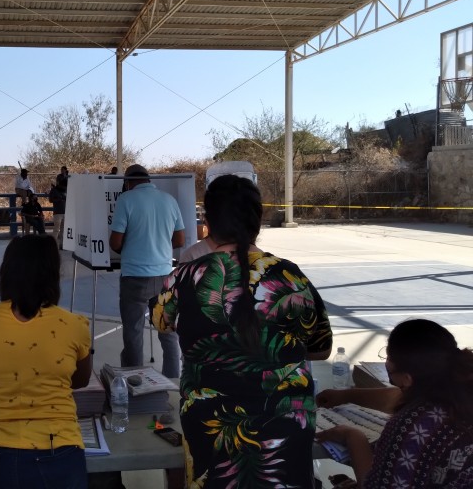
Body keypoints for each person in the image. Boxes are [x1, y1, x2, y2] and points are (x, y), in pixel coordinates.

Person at [150, 174, 333, 488]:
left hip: (212, 426)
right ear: (257, 220)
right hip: (286, 424)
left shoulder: (186, 276)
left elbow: (161, 320)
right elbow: (321, 347)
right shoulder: (290, 275)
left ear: (207, 223)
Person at [0, 234, 92, 489]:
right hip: (59, 448)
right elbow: (80, 380)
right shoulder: (75, 325)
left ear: (6, 272)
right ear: (53, 275)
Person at [316, 319, 473, 488]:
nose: (387, 361)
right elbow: (397, 397)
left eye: (389, 356)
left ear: (407, 378)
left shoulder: (412, 427)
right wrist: (347, 395)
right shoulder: (459, 389)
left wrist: (353, 437)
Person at [109, 163, 184, 378]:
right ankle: (172, 380)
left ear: (128, 182)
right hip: (163, 275)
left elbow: (115, 242)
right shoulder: (169, 200)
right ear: (148, 180)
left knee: (133, 333)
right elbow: (179, 240)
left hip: (134, 277)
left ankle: (135, 382)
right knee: (168, 333)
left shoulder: (126, 200)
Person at [48, 181, 66, 247]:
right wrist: (59, 199)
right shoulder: (54, 190)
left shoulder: (64, 190)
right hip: (57, 212)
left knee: (63, 230)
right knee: (56, 229)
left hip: (64, 212)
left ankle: (62, 244)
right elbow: (50, 200)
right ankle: (53, 245)